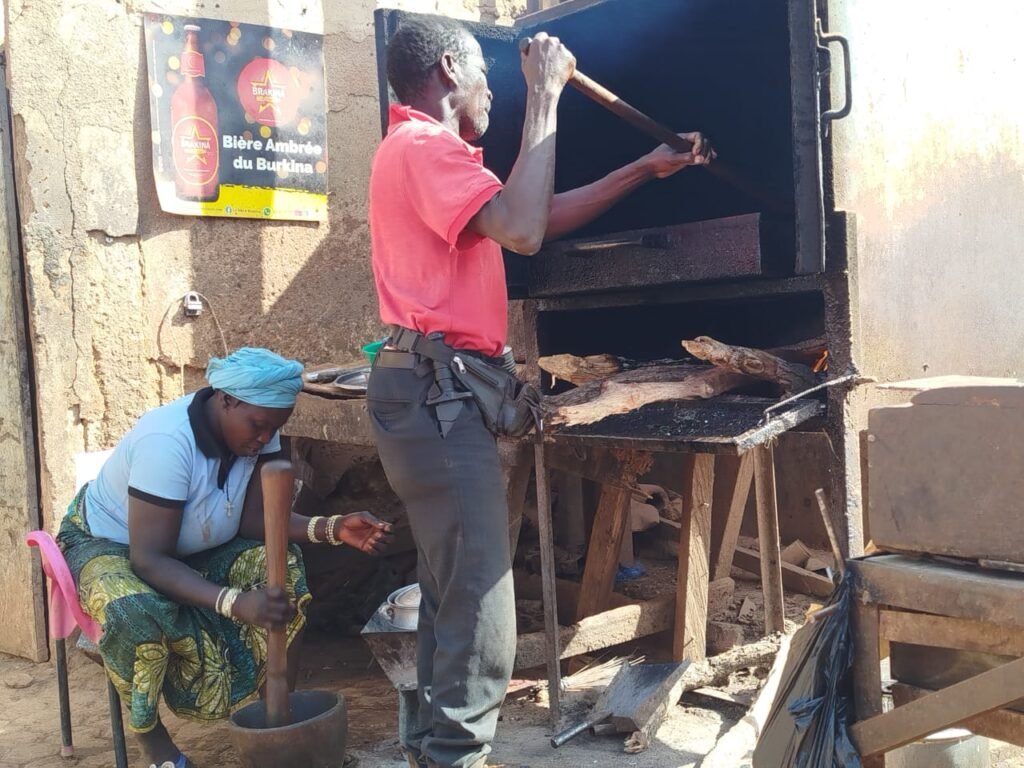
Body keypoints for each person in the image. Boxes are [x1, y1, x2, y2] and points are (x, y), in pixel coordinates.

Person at [367, 17, 715, 768]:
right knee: (483, 598)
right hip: (439, 395)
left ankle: (435, 750)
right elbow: (523, 232)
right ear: (452, 70)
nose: (496, 92)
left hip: (432, 392)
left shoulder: (428, 155)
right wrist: (545, 97)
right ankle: (458, 754)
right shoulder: (423, 148)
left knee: (451, 588)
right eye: (488, 78)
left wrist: (641, 171)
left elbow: (533, 219)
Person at [57, 347, 394, 768]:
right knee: (132, 611)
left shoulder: (260, 429)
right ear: (226, 399)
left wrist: (332, 527)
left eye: (275, 427)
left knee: (280, 565)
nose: (263, 438)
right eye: (257, 425)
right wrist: (232, 602)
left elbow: (257, 519)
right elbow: (149, 559)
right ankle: (153, 740)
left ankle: (277, 712)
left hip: (196, 548)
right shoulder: (166, 442)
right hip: (113, 545)